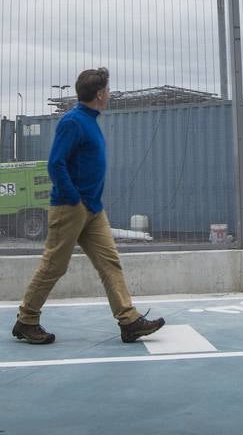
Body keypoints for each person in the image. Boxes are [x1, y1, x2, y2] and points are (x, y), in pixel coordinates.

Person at [11, 67, 165, 345]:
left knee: (109, 262)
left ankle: (128, 321)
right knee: (54, 266)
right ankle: (26, 320)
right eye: (107, 90)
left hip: (93, 209)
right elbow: (55, 163)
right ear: (99, 93)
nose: (109, 94)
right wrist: (73, 198)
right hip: (72, 207)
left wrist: (87, 203)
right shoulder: (73, 121)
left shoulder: (90, 120)